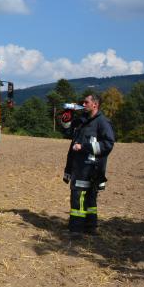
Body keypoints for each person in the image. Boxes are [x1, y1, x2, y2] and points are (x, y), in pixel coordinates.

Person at [61, 93, 115, 235]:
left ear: (95, 104)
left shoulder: (102, 122)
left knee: (79, 198)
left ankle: (76, 230)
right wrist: (67, 115)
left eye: (86, 102)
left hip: (91, 169)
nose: (83, 104)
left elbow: (108, 144)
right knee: (89, 199)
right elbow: (66, 131)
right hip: (79, 167)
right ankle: (91, 228)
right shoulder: (82, 120)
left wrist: (84, 147)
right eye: (83, 102)